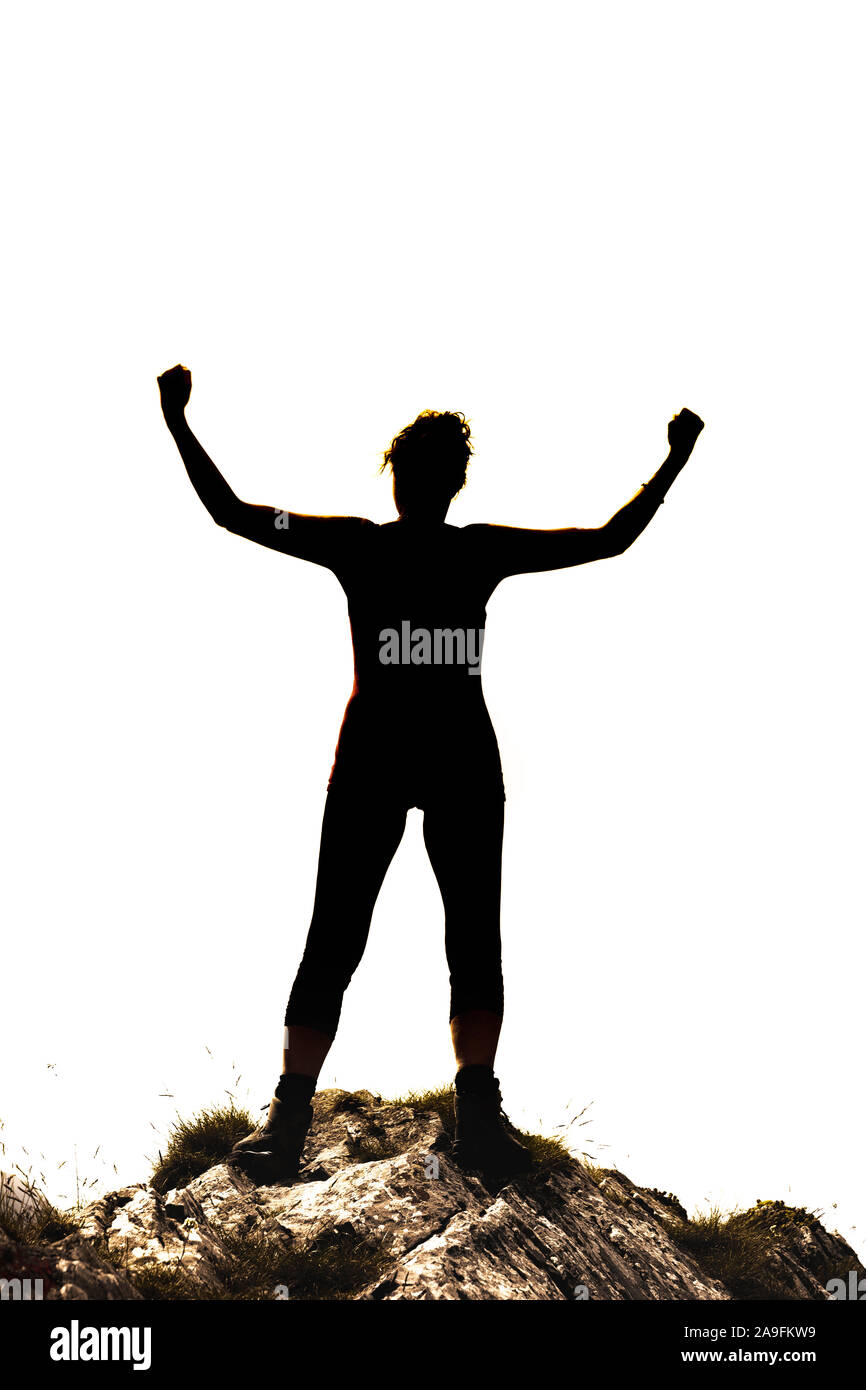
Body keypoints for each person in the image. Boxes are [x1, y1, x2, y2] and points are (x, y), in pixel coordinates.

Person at [157, 363, 704, 1182]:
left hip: (379, 764)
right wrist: (675, 459)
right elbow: (608, 539)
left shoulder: (357, 543)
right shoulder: (475, 550)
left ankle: (290, 1120)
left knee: (336, 939)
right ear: (453, 484)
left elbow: (231, 513)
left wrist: (177, 420)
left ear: (399, 476)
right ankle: (473, 1115)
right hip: (456, 768)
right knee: (467, 944)